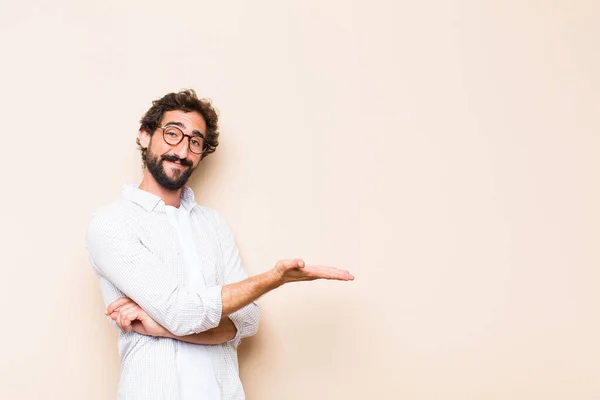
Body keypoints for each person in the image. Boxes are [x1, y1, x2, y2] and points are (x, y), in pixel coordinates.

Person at [85, 89, 354, 400]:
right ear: (145, 136)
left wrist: (160, 326)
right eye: (172, 134)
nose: (182, 151)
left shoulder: (213, 225)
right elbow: (180, 312)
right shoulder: (111, 222)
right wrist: (270, 281)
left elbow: (249, 319)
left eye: (195, 142)